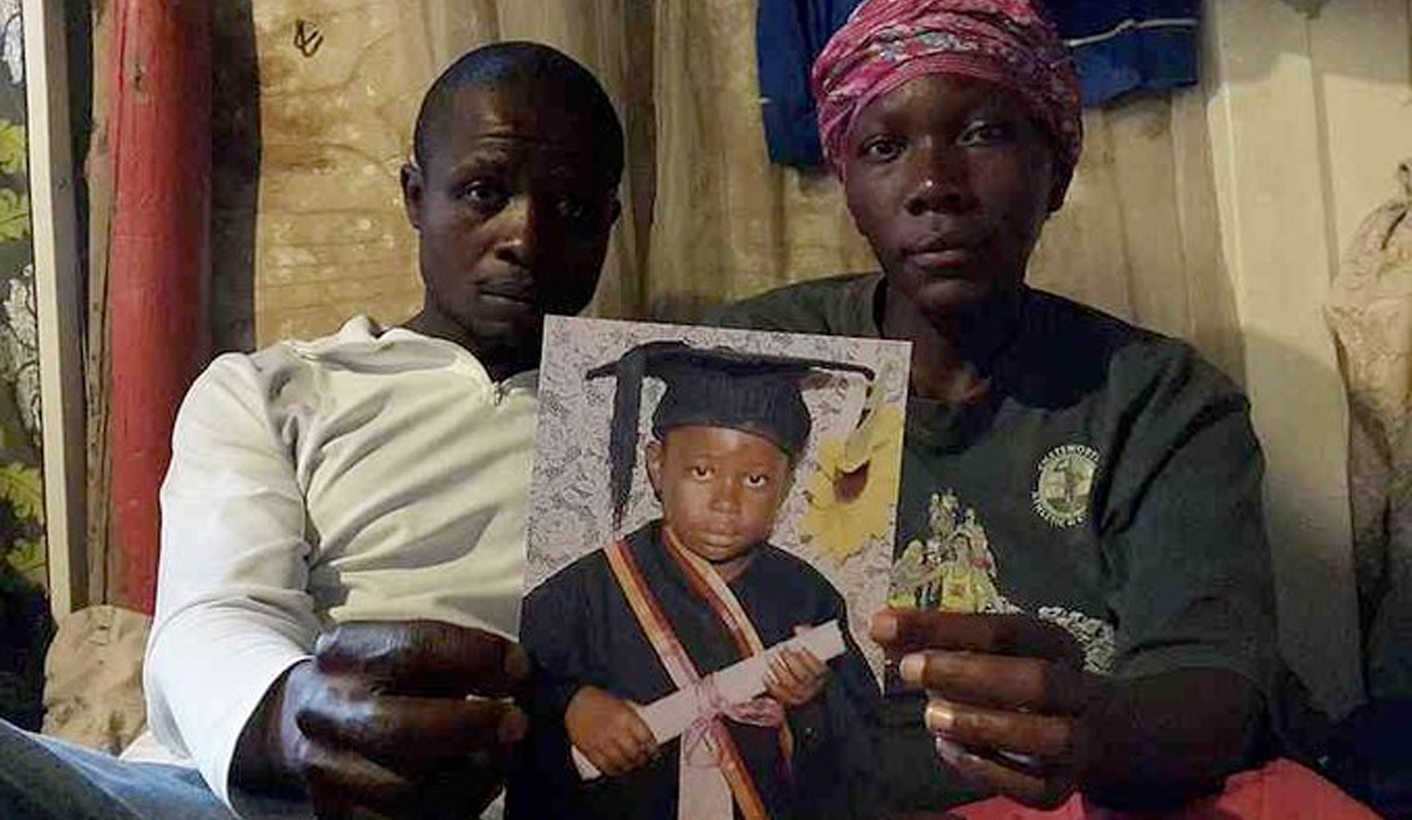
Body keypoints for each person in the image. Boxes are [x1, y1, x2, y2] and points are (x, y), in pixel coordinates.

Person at [709, 0, 1377, 817]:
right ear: (847, 186)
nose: (934, 186)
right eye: (885, 147)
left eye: (985, 134)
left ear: (1055, 170)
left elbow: (1214, 686)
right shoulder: (746, 362)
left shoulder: (1159, 399)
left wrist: (1093, 730)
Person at [0, 40, 623, 820]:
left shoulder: (661, 423)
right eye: (483, 192)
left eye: (570, 210)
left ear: (610, 225)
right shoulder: (271, 391)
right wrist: (294, 723)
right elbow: (215, 616)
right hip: (234, 791)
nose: (525, 238)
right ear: (414, 195)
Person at [511, 342, 881, 819]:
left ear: (787, 486)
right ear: (657, 467)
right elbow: (510, 685)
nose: (726, 501)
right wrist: (570, 706)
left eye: (756, 481)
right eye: (702, 471)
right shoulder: (583, 594)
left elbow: (864, 753)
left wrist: (810, 708)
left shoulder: (810, 597)